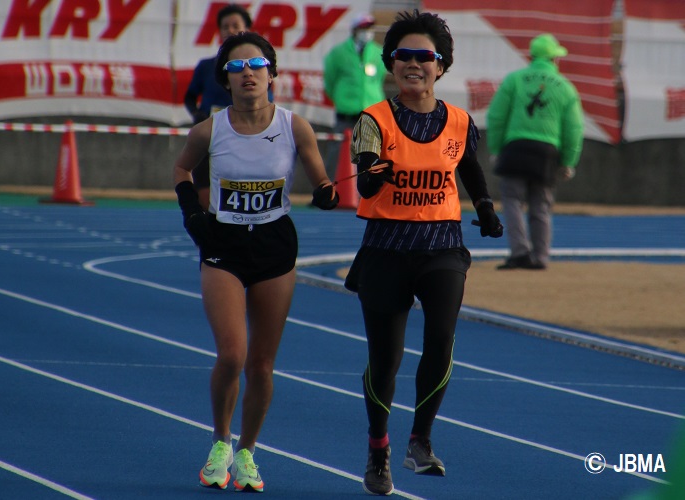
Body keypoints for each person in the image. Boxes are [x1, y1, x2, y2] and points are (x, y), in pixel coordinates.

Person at [342, 10, 504, 496]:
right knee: (385, 360)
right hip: (386, 250)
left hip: (442, 248)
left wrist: (485, 206)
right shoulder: (373, 120)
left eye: (424, 56)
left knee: (440, 340)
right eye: (404, 55)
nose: (414, 63)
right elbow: (365, 179)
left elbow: (468, 165)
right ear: (391, 63)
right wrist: (375, 175)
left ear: (441, 66)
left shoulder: (459, 120)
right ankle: (378, 448)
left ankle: (421, 439)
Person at [173, 31, 339, 492]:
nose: (247, 73)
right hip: (224, 246)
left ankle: (247, 452)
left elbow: (323, 183)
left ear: (272, 74)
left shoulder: (294, 127)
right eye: (236, 67)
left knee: (262, 365)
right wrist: (191, 213)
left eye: (256, 65)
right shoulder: (209, 130)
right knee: (232, 354)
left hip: (274, 246)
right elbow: (181, 169)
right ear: (225, 79)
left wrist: (327, 194)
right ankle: (220, 442)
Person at [486, 33, 584, 270]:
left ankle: (519, 252)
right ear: (554, 59)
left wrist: (496, 149)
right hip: (547, 152)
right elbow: (573, 129)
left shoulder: (514, 80)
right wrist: (568, 161)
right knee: (541, 205)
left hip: (516, 148)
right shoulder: (566, 87)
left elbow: (496, 117)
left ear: (531, 56)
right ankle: (540, 257)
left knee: (512, 200)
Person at [184, 4, 253, 209]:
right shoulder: (207, 66)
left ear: (247, 29)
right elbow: (190, 97)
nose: (230, 30)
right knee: (205, 192)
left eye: (235, 25)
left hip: (244, 139)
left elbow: (266, 101)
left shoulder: (256, 69)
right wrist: (197, 114)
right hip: (210, 136)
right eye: (225, 26)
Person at [322, 12, 386, 181]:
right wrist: (343, 101)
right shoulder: (338, 53)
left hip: (371, 114)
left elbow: (379, 79)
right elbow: (330, 81)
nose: (367, 32)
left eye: (370, 28)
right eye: (363, 28)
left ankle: (369, 190)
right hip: (346, 114)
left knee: (372, 154)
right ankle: (330, 188)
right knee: (337, 153)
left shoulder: (379, 53)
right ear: (354, 30)